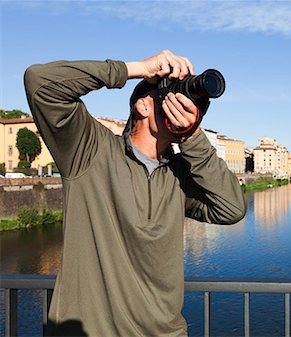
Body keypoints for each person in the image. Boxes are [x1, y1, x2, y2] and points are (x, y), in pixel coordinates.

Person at [24, 50, 246, 336]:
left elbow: (232, 209)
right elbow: (40, 81)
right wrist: (137, 69)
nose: (180, 106)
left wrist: (193, 137)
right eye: (170, 97)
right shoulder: (91, 150)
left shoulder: (179, 174)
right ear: (142, 105)